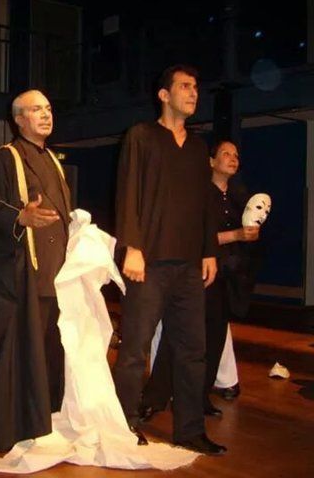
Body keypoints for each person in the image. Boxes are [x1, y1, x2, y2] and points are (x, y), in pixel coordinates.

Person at [113, 64, 226, 455]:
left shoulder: (197, 147)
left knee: (193, 350)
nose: (193, 93)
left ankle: (190, 430)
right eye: (185, 86)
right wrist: (132, 246)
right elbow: (127, 191)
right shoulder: (141, 136)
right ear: (164, 95)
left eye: (196, 87)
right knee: (135, 351)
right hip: (149, 264)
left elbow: (205, 203)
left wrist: (209, 250)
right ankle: (124, 425)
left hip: (189, 267)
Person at [0, 89, 71, 452]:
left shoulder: (55, 161)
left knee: (48, 351)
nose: (46, 115)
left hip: (54, 274)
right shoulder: (6, 156)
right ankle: (9, 427)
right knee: (14, 350)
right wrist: (20, 216)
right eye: (36, 110)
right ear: (18, 119)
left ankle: (43, 420)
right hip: (21, 274)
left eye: (48, 108)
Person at [141, 140, 258, 418]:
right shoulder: (199, 194)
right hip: (199, 274)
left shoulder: (239, 196)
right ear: (211, 161)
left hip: (227, 277)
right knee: (178, 334)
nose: (232, 158)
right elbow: (195, 236)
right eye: (225, 154)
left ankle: (199, 397)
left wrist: (249, 236)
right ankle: (154, 397)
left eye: (236, 155)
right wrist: (236, 235)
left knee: (214, 340)